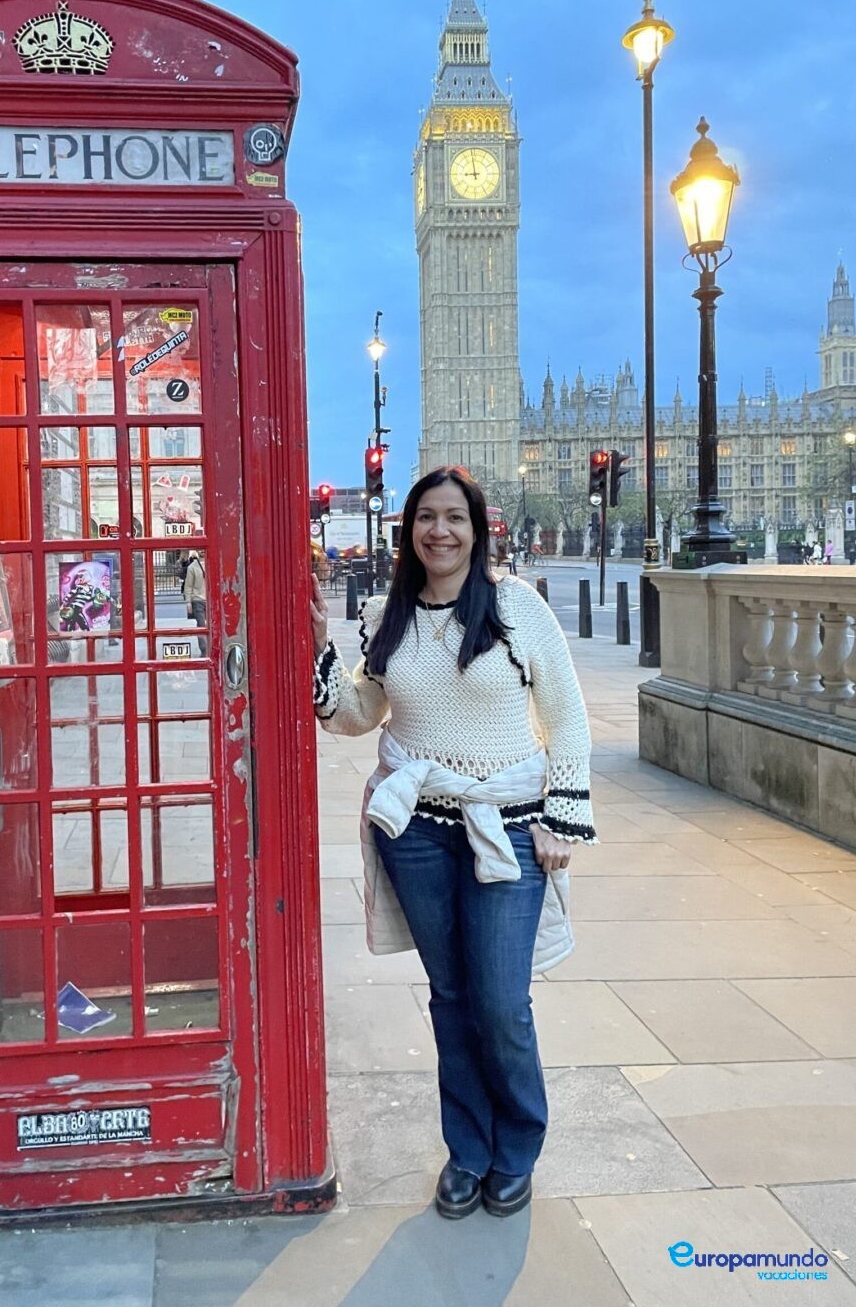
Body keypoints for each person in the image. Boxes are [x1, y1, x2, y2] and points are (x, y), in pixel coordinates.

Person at [310, 466, 595, 1222]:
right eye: (426, 518)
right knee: (450, 998)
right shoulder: (391, 611)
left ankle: (517, 1146)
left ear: (477, 528)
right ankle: (467, 1151)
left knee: (501, 1001)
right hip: (418, 834)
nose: (440, 531)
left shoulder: (516, 608)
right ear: (409, 531)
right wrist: (320, 658)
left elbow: (566, 715)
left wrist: (562, 817)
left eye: (454, 517)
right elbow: (362, 711)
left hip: (504, 824)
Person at [182, 548, 207, 655]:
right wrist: (188, 602)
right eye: (200, 549)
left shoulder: (215, 562)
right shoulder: (192, 567)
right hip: (198, 600)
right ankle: (204, 651)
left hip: (213, 600)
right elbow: (188, 585)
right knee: (201, 626)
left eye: (204, 549)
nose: (202, 551)